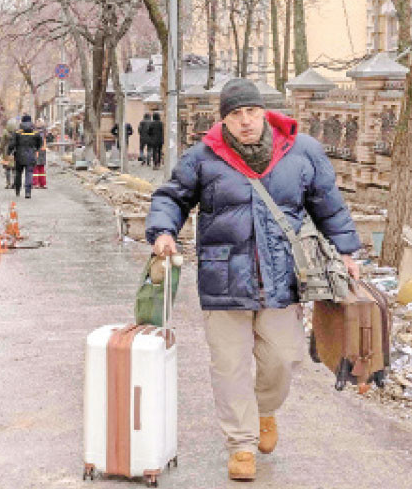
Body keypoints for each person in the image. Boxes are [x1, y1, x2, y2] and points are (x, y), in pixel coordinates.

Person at [145, 79, 361, 482]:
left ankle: (264, 411)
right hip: (222, 275)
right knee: (229, 366)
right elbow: (171, 197)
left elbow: (329, 204)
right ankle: (241, 444)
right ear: (223, 119)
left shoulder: (302, 152)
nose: (244, 122)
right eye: (234, 114)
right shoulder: (204, 157)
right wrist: (163, 231)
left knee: (284, 357)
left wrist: (347, 251)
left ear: (264, 112)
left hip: (282, 274)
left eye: (251, 112)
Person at [7, 115, 42, 199]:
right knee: (29, 173)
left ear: (22, 122)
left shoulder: (17, 132)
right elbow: (39, 143)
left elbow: (12, 144)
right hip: (31, 155)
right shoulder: (35, 132)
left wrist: (9, 152)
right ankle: (28, 192)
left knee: (18, 173)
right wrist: (35, 149)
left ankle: (18, 190)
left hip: (19, 155)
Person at [0, 118, 18, 189]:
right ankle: (15, 183)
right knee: (14, 169)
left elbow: (2, 144)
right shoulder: (18, 132)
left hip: (6, 153)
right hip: (15, 152)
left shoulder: (5, 132)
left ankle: (8, 183)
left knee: (7, 169)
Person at [33, 118, 48, 189]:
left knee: (35, 168)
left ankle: (36, 183)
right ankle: (43, 183)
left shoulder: (36, 132)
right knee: (41, 168)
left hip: (37, 151)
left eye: (37, 122)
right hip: (43, 152)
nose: (36, 123)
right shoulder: (44, 132)